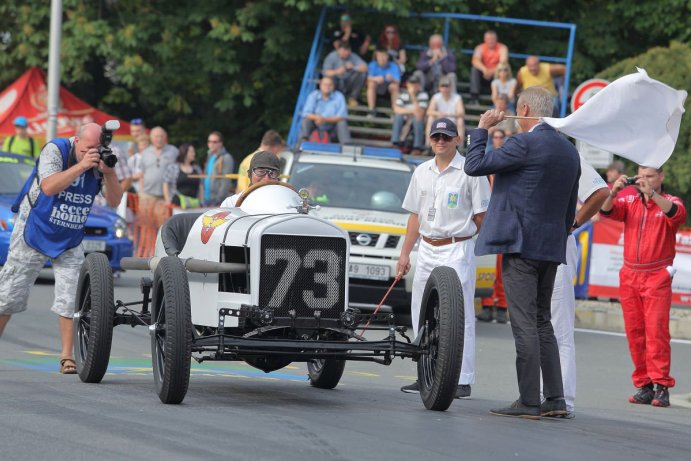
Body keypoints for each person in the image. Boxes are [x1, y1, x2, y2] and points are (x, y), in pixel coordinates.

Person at [464, 87, 580, 419]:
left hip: (520, 243)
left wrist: (483, 129)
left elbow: (475, 165)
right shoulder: (568, 151)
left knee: (526, 322)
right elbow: (570, 206)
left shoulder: (523, 143)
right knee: (543, 320)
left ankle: (529, 399)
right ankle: (555, 398)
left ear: (524, 108)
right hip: (550, 245)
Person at [0, 123, 123, 374]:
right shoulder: (56, 150)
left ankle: (67, 357)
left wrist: (109, 173)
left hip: (69, 237)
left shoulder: (100, 162)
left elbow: (114, 201)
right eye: (88, 148)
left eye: (97, 149)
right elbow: (48, 186)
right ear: (76, 141)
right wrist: (81, 166)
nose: (93, 153)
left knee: (70, 297)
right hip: (34, 229)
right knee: (9, 294)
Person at [397, 117, 491, 399]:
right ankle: (425, 372)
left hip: (456, 246)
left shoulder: (471, 171)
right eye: (436, 136)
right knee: (421, 312)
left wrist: (477, 246)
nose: (440, 141)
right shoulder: (421, 171)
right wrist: (405, 253)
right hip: (426, 246)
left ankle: (462, 378)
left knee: (459, 315)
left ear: (457, 140)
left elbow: (482, 216)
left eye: (446, 137)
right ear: (430, 140)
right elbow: (414, 215)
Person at [600, 166, 686, 408]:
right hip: (630, 275)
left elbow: (677, 214)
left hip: (656, 275)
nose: (644, 181)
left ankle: (662, 386)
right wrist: (613, 192)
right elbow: (607, 212)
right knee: (635, 333)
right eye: (641, 176)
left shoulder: (669, 201)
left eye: (650, 176)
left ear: (661, 177)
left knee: (656, 332)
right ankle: (644, 385)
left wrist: (652, 195)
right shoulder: (628, 199)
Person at [549, 157, 609, 417]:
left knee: (559, 325)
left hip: (556, 242)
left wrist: (573, 223)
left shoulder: (568, 155)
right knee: (536, 325)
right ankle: (540, 393)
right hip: (530, 246)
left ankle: (562, 398)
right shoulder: (522, 148)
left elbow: (601, 192)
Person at [134, 126, 179, 227]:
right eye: (156, 136)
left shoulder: (173, 151)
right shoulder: (145, 153)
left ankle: (160, 243)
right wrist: (141, 193)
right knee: (145, 226)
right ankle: (145, 244)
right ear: (151, 138)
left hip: (165, 197)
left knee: (163, 226)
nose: (159, 139)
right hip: (147, 195)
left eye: (161, 136)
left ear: (166, 137)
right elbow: (142, 174)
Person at [298, 77, 351, 145]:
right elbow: (306, 113)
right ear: (320, 85)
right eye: (325, 84)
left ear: (333, 86)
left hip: (332, 128)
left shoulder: (339, 96)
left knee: (342, 123)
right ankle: (301, 145)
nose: (327, 87)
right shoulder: (313, 95)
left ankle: (346, 146)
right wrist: (318, 118)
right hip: (316, 126)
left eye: (330, 85)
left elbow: (342, 116)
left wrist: (325, 119)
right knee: (306, 120)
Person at [322, 41, 368, 108]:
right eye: (344, 51)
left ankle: (352, 98)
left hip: (349, 82)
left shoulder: (352, 56)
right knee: (328, 78)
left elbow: (365, 68)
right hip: (336, 82)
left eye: (348, 51)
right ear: (338, 50)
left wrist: (354, 67)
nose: (346, 53)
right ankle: (331, 98)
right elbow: (325, 72)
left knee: (362, 74)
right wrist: (337, 71)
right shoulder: (331, 56)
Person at [390, 75, 428, 153]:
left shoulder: (423, 95)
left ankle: (417, 147)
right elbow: (396, 109)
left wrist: (413, 96)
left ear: (419, 85)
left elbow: (420, 113)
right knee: (398, 117)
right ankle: (395, 143)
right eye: (411, 83)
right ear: (408, 84)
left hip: (417, 118)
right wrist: (411, 111)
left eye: (415, 84)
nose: (413, 86)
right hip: (405, 117)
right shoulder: (403, 94)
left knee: (417, 119)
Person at [470, 30, 509, 105]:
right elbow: (475, 61)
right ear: (484, 39)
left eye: (492, 39)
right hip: (483, 74)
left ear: (496, 39)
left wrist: (491, 71)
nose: (490, 41)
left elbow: (503, 62)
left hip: (496, 74)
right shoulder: (480, 48)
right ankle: (474, 98)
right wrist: (484, 70)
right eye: (488, 39)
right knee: (474, 70)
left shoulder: (502, 48)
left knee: (502, 70)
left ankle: (497, 100)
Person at [425, 76, 465, 145]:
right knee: (430, 118)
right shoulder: (436, 97)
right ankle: (428, 144)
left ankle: (459, 145)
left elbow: (461, 113)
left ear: (451, 87)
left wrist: (447, 114)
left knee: (460, 120)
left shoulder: (457, 97)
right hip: (439, 120)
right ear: (439, 88)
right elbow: (429, 111)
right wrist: (438, 113)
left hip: (452, 121)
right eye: (442, 86)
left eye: (446, 86)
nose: (445, 88)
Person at [163, 143, 203, 209]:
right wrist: (167, 200)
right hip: (177, 204)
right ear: (185, 152)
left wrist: (201, 201)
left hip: (194, 204)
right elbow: (165, 183)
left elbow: (201, 186)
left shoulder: (197, 168)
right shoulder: (173, 167)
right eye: (192, 152)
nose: (194, 154)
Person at [366, 48, 401, 116]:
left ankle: (395, 111)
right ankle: (371, 109)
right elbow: (368, 78)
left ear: (387, 56)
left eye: (384, 56)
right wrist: (375, 78)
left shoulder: (394, 66)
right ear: (376, 57)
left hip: (388, 88)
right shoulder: (372, 65)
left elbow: (398, 81)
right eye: (379, 56)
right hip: (376, 87)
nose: (382, 58)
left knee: (394, 86)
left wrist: (392, 79)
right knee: (371, 84)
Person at [203, 131, 234, 206]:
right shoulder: (209, 156)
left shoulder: (226, 158)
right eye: (209, 141)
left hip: (217, 201)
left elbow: (225, 182)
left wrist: (218, 200)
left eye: (214, 142)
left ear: (220, 143)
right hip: (207, 199)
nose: (211, 144)